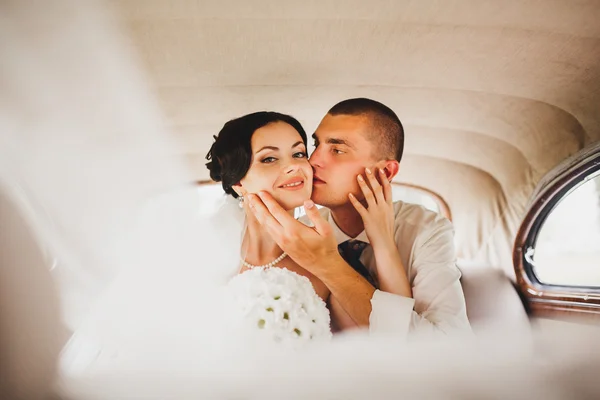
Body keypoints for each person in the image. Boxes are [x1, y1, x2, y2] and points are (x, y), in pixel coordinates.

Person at [246, 98, 471, 338]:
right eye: (316, 145)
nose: (313, 161)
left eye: (338, 150)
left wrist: (378, 247)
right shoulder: (298, 234)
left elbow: (449, 349)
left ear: (385, 172)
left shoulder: (425, 230)